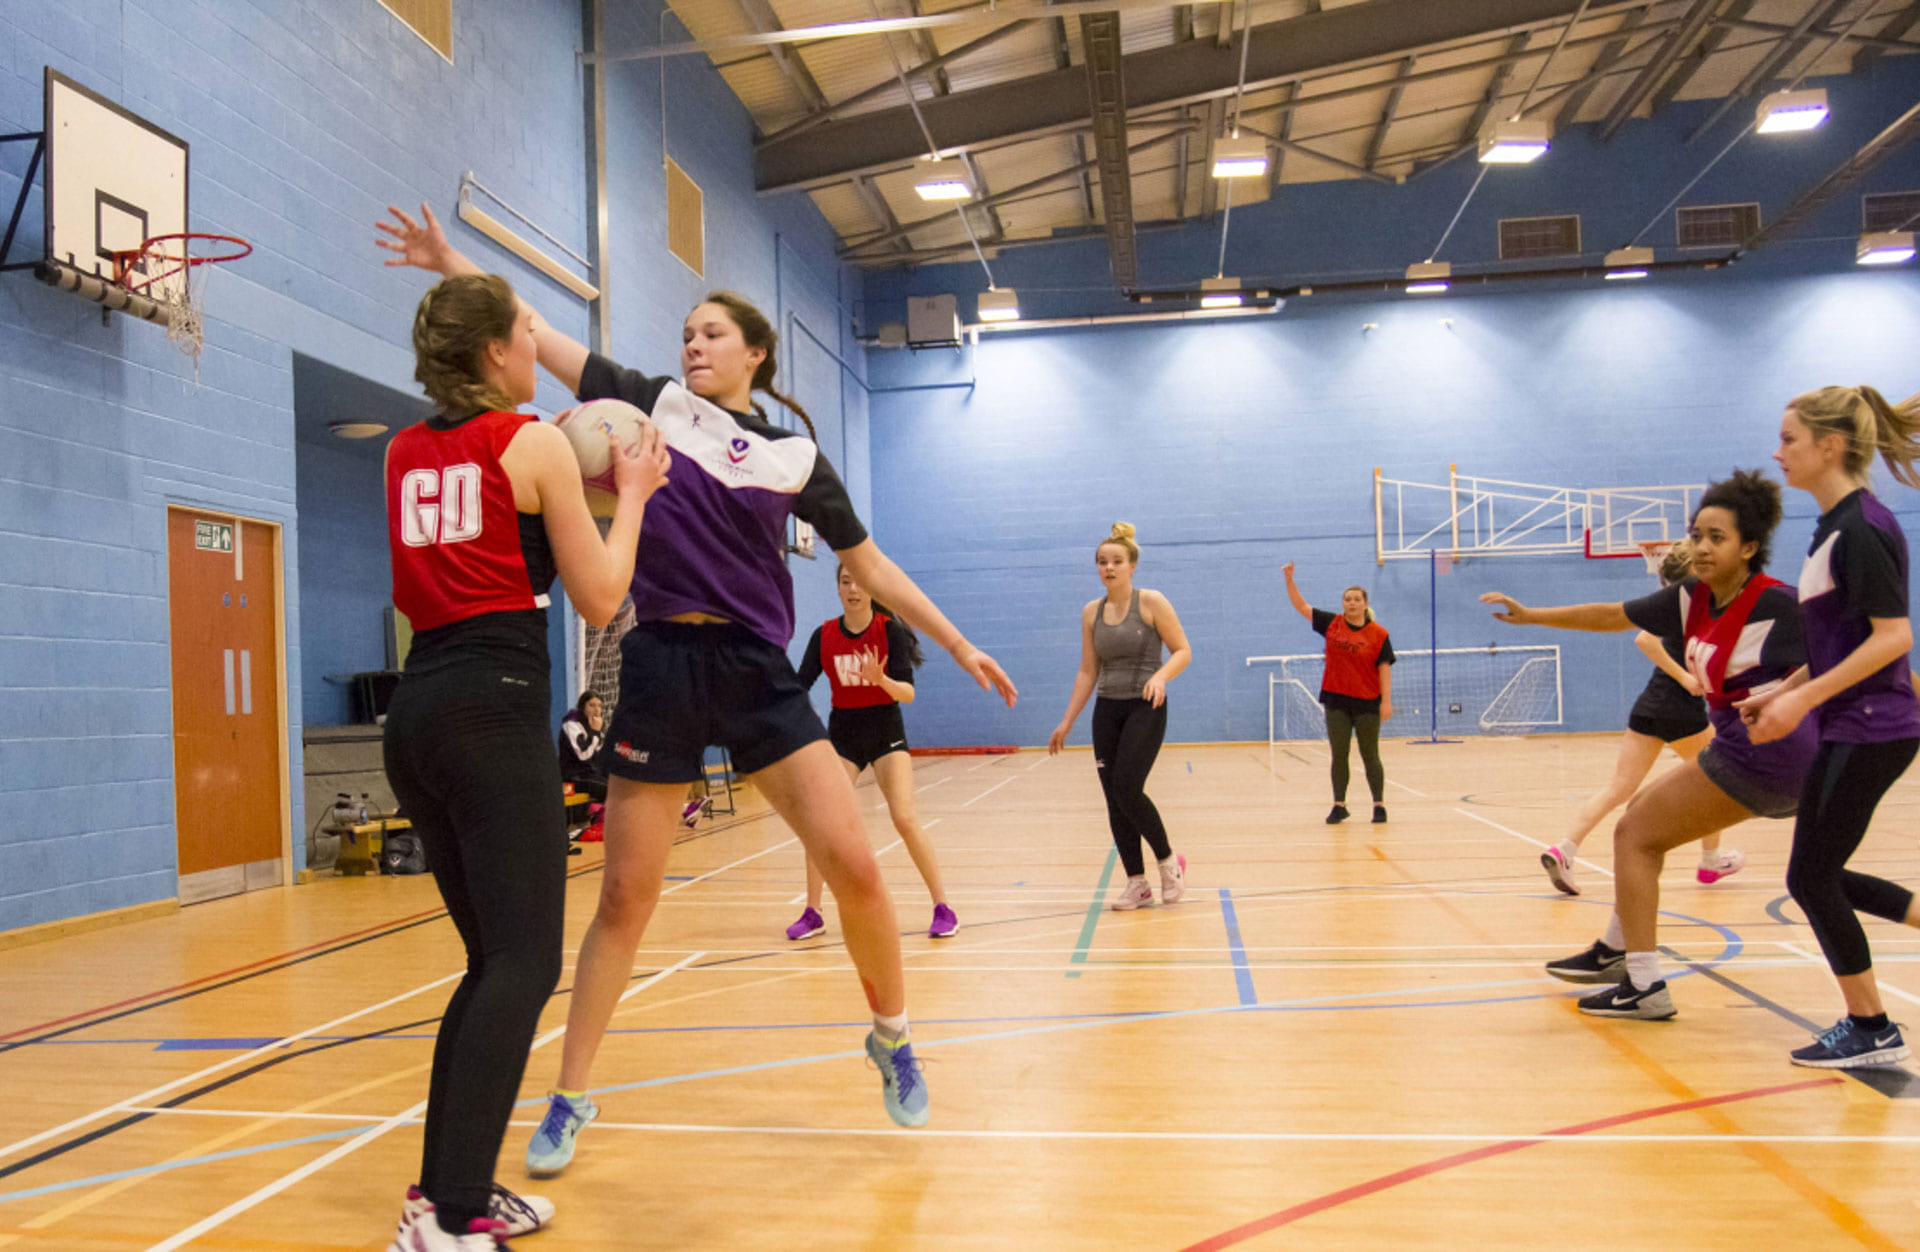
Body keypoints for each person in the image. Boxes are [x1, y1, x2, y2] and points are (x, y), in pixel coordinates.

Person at [377, 205, 1017, 1176]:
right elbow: (527, 335)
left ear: (757, 352)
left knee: (856, 862)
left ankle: (889, 1031)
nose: (693, 342)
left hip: (758, 671)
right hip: (663, 666)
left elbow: (871, 565)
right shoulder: (652, 403)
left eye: (712, 330)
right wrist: (444, 262)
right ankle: (570, 1094)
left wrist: (959, 642)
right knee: (626, 896)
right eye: (686, 331)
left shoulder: (795, 457)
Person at [380, 270, 670, 1250]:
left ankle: (445, 1192)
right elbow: (601, 598)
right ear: (499, 351)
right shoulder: (533, 442)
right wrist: (627, 494)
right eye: (523, 332)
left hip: (416, 708)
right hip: (492, 709)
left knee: (491, 963)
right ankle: (449, 1214)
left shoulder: (403, 452)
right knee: (524, 960)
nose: (531, 344)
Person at [1483, 469, 1817, 1021]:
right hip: (1738, 746)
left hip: (1773, 751)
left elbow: (1860, 651)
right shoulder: (1691, 597)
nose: (1702, 547)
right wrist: (1532, 615)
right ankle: (1618, 952)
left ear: (1750, 547)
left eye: (1718, 538)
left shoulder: (1780, 605)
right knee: (1639, 820)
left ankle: (1642, 984)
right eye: (1697, 535)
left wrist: (1788, 692)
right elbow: (1614, 616)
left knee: (1634, 833)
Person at [1741, 385, 1920, 1068]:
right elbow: (1836, 639)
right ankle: (1869, 1020)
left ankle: (1871, 1027)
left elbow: (1892, 638)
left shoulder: (1865, 527)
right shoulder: (1831, 526)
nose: (1778, 452)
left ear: (1830, 445)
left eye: (1789, 439)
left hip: (1875, 726)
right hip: (1851, 722)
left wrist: (1803, 700)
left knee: (1812, 875)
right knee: (1818, 873)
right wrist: (1783, 689)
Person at [1536, 541, 1744, 895]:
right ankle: (1710, 860)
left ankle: (1565, 849)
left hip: (1650, 705)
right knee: (1718, 783)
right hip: (1680, 710)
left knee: (1619, 787)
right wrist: (1686, 679)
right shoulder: (1694, 607)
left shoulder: (1694, 607)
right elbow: (1644, 641)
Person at [788, 564, 957, 940]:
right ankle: (813, 912)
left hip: (886, 732)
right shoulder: (825, 635)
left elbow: (908, 695)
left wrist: (879, 679)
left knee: (904, 817)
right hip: (844, 735)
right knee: (819, 823)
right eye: (845, 581)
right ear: (837, 589)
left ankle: (943, 906)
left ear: (870, 589)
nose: (852, 588)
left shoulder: (888, 631)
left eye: (859, 581)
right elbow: (799, 686)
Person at [1048, 522, 1192, 910]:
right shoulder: (1091, 613)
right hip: (1107, 709)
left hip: (1146, 705)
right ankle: (1137, 883)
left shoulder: (1151, 602)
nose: (1108, 568)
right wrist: (1067, 721)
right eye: (1101, 562)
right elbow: (1087, 671)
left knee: (1128, 786)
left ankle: (1167, 864)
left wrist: (1161, 677)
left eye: (1116, 561)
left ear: (1132, 566)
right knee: (1114, 799)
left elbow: (1182, 650)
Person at [1282, 566, 1394, 824]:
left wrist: (1386, 701)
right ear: (1342, 603)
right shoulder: (1332, 623)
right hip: (1336, 701)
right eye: (1347, 599)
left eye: (1357, 599)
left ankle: (1379, 805)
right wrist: (1289, 580)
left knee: (1370, 754)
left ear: (1365, 604)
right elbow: (1301, 606)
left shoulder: (1379, 634)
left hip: (1367, 702)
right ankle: (1339, 804)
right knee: (1339, 753)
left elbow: (1385, 667)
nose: (1352, 603)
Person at [557, 689, 608, 804]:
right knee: (609, 790)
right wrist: (595, 733)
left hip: (590, 773)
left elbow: (600, 757)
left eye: (600, 706)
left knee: (619, 785)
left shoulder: (596, 726)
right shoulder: (571, 725)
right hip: (573, 777)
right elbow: (583, 756)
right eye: (592, 705)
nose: (597, 710)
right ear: (583, 707)